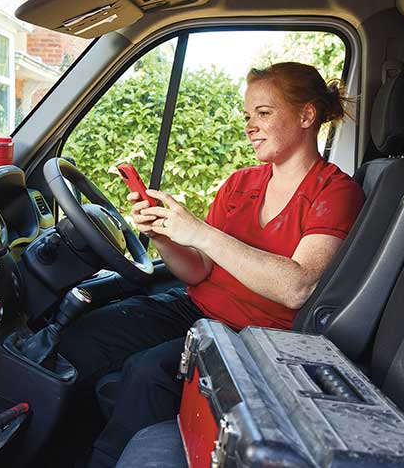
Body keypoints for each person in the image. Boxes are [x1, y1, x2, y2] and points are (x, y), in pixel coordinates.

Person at [56, 62, 365, 467]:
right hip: (196, 309)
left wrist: (199, 232)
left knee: (147, 372)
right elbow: (199, 270)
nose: (250, 126)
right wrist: (164, 236)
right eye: (247, 116)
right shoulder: (240, 183)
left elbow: (298, 287)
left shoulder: (335, 192)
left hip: (254, 336)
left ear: (307, 115)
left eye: (264, 113)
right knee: (85, 335)